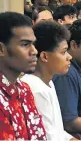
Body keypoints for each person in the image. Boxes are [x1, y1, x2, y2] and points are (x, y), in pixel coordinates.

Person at [21, 21, 75, 141]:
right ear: (45, 56)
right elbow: (49, 137)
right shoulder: (35, 88)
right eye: (63, 52)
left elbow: (57, 131)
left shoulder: (48, 82)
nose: (69, 57)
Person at [0, 12, 46, 140]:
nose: (34, 51)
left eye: (33, 44)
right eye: (25, 44)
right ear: (1, 49)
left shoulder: (24, 89)